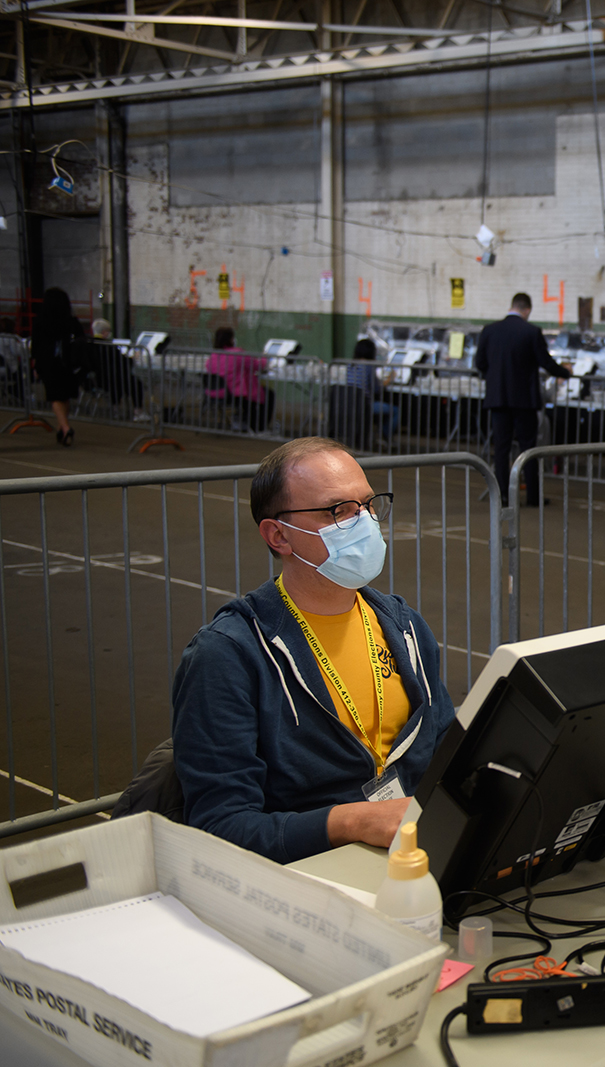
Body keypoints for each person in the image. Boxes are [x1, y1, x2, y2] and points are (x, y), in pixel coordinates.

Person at [170, 438, 454, 863]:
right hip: (308, 876)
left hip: (412, 856)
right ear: (279, 535)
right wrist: (353, 821)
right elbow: (220, 827)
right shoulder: (228, 655)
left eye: (367, 504)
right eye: (338, 511)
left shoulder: (403, 625)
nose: (364, 522)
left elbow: (446, 751)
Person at [474, 292, 571, 506]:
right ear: (527, 309)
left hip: (498, 398)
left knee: (501, 449)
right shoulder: (531, 332)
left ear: (512, 306)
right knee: (528, 448)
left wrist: (496, 376)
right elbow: (545, 362)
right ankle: (533, 496)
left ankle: (503, 496)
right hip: (524, 401)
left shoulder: (489, 331)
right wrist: (565, 373)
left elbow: (479, 363)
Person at [30, 287, 85, 445]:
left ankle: (66, 427)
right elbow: (81, 340)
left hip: (49, 364)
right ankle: (62, 427)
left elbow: (36, 345)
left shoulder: (41, 321)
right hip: (68, 364)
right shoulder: (71, 321)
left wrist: (35, 365)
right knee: (65, 396)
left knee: (54, 397)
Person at [205, 326, 275, 432]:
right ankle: (260, 428)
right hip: (235, 394)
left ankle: (248, 423)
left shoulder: (213, 356)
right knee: (268, 394)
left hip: (215, 393)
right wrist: (265, 357)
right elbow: (257, 365)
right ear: (231, 339)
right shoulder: (238, 354)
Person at [349, 337, 399, 442]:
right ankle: (386, 436)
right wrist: (389, 379)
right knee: (394, 410)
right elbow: (376, 388)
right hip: (365, 405)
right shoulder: (369, 366)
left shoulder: (350, 365)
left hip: (350, 404)